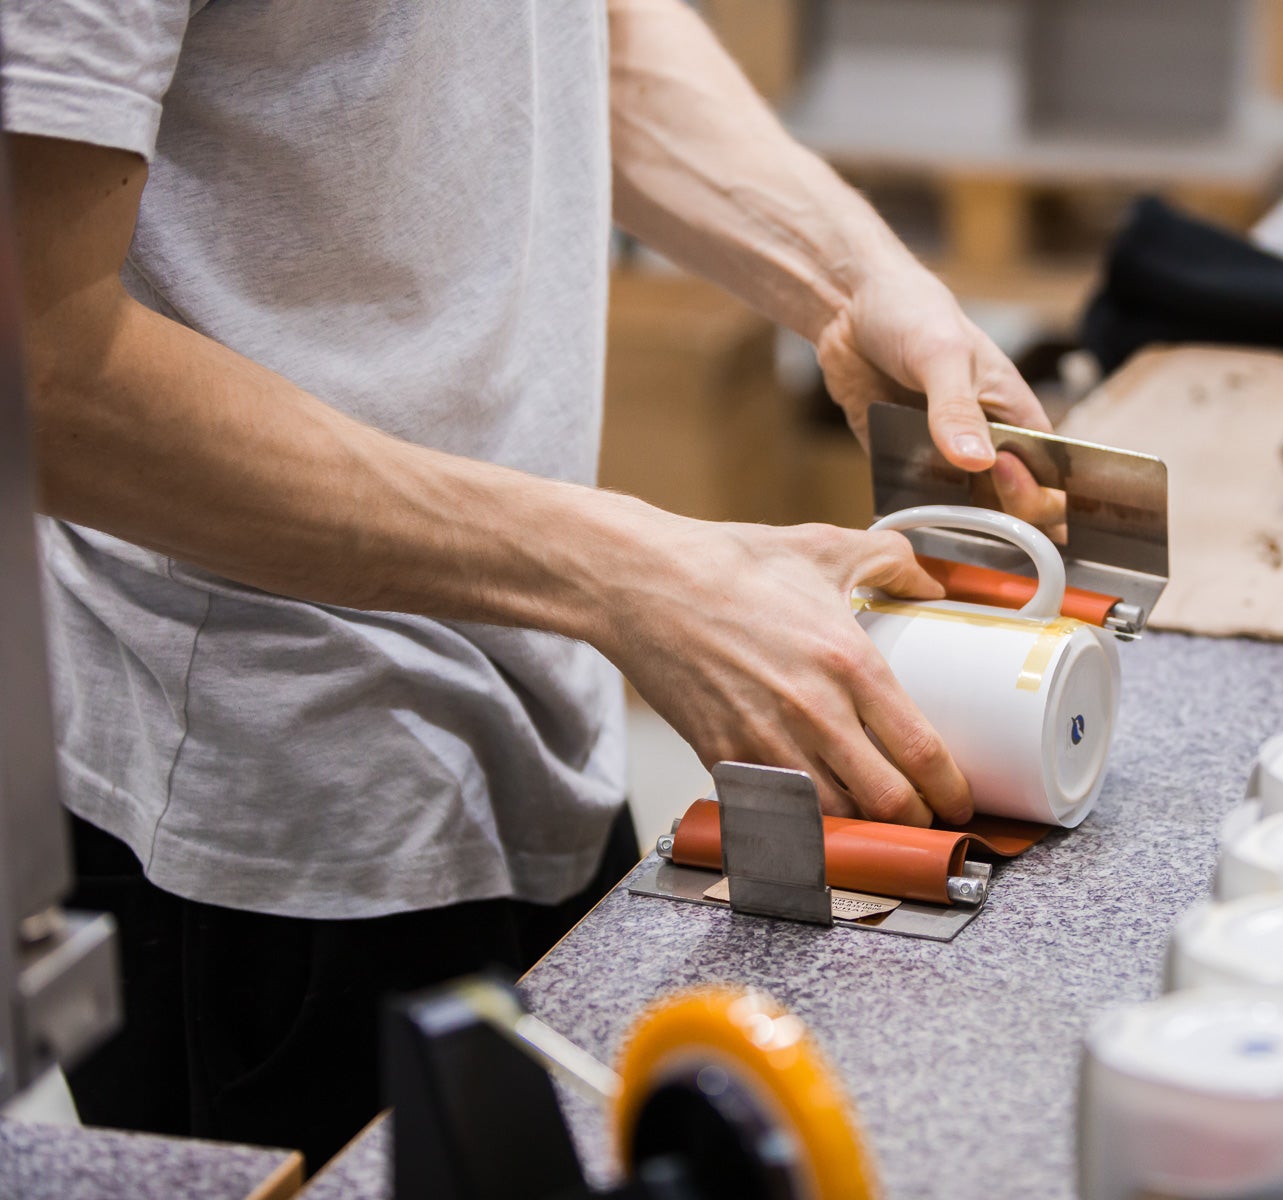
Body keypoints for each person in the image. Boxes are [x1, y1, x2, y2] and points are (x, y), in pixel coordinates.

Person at [2, 0, 1055, 1167]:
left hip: (536, 690)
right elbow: (43, 375)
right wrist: (625, 572)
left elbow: (592, 31)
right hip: (281, 838)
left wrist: (850, 278)